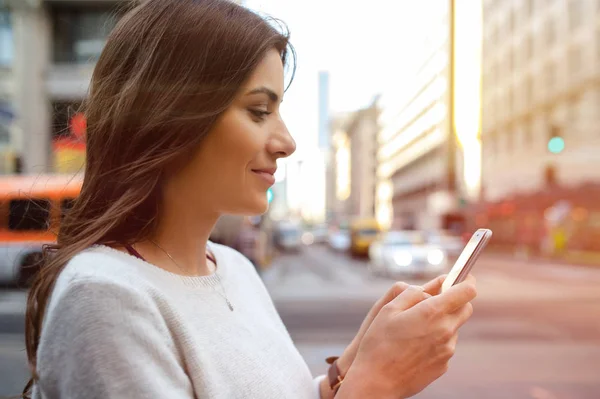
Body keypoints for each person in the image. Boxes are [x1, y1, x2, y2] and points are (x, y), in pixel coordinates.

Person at [23, 1, 477, 398]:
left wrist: (347, 372)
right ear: (170, 115)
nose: (286, 141)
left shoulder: (232, 267)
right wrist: (376, 385)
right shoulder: (104, 297)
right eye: (259, 112)